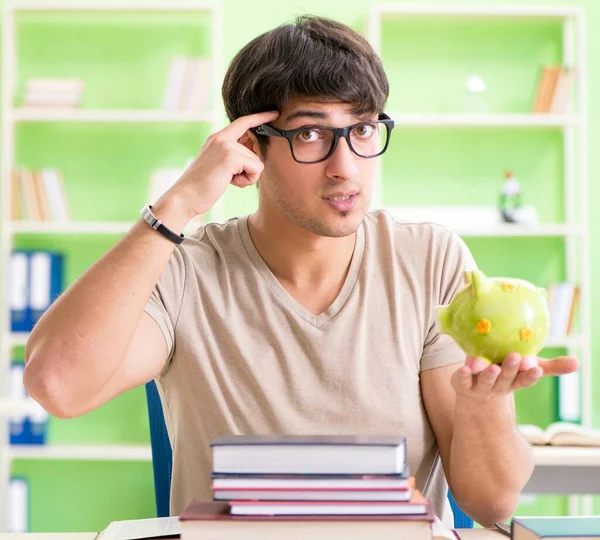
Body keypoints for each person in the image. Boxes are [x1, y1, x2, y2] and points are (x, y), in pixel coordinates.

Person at [23, 15, 578, 528]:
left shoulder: (429, 259)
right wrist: (174, 207)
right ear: (248, 144)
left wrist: (484, 405)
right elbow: (57, 387)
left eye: (362, 130)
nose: (346, 168)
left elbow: (492, 505)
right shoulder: (184, 270)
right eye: (311, 134)